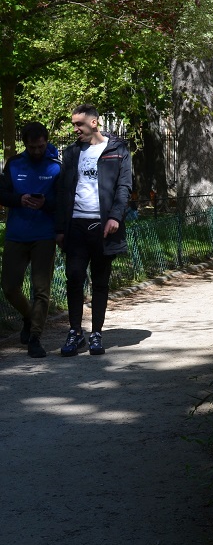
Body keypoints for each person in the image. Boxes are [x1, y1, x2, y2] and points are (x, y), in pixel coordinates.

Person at [55, 104, 132, 356]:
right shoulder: (72, 153)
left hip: (103, 227)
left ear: (94, 123)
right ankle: (75, 332)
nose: (75, 128)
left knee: (100, 281)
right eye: (74, 124)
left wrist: (115, 218)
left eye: (79, 124)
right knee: (74, 277)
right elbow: (63, 192)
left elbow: (124, 187)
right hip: (76, 225)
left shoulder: (117, 150)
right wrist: (60, 228)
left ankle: (96, 333)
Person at [0, 122, 61, 358]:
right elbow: (2, 193)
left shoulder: (56, 167)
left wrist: (46, 204)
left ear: (47, 142)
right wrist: (19, 199)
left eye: (41, 146)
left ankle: (35, 337)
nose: (37, 151)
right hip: (17, 234)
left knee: (41, 290)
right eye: (32, 147)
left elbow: (63, 204)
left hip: (44, 236)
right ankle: (28, 316)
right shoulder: (14, 163)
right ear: (24, 144)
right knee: (9, 287)